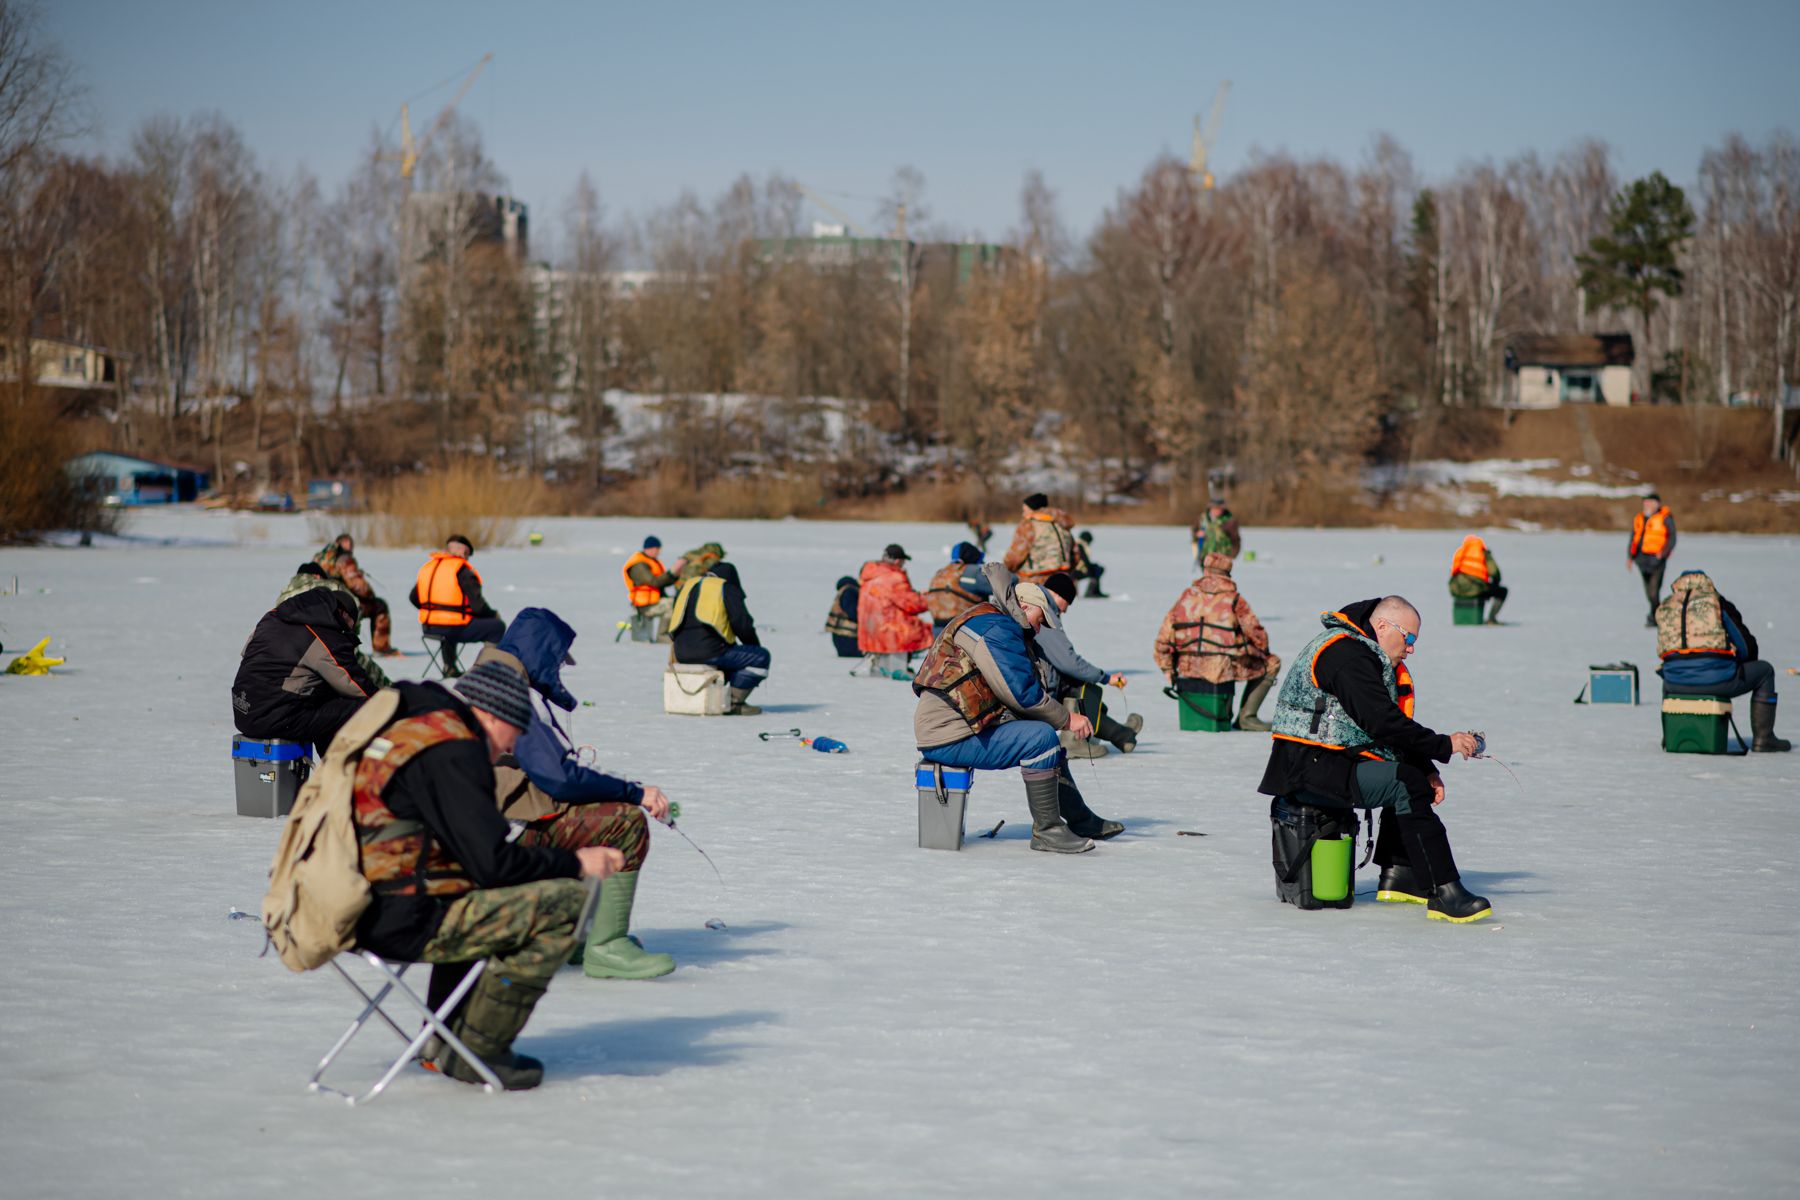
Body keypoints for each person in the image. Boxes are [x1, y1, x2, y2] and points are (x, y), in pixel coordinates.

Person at [350, 661, 622, 1090]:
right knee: (565, 904)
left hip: (362, 904)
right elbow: (495, 865)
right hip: (398, 919)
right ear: (493, 716)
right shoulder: (456, 751)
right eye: (515, 733)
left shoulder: (419, 732)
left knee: (473, 893)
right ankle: (479, 1047)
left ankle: (443, 1039)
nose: (512, 748)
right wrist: (577, 863)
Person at [423, 608, 678, 1029]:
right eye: (557, 660)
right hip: (500, 841)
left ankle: (578, 937)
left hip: (476, 835)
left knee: (589, 816)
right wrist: (634, 792)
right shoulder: (508, 694)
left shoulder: (483, 678)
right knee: (624, 822)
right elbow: (557, 779)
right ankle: (606, 946)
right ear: (540, 653)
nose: (558, 670)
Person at [1257, 597, 1491, 923]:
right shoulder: (1347, 656)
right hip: (1307, 768)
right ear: (1382, 626)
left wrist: (1425, 767)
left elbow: (1385, 729)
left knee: (1409, 776)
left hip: (1323, 761)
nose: (1411, 648)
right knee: (1405, 783)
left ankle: (1402, 875)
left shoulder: (1360, 650)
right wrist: (1443, 745)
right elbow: (1381, 722)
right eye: (1409, 637)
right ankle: (1444, 891)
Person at [913, 563, 1120, 853]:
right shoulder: (997, 628)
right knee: (1041, 738)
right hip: (949, 734)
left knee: (1042, 735)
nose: (1039, 628)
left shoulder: (991, 618)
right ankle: (1047, 831)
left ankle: (1079, 819)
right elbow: (1021, 694)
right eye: (1040, 619)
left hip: (955, 727)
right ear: (1023, 606)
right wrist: (1066, 719)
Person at [231, 584, 378, 754]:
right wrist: (390, 703)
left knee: (323, 701)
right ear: (344, 614)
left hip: (243, 711)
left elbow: (247, 653)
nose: (347, 632)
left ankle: (330, 766)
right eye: (350, 627)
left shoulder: (272, 617)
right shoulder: (326, 636)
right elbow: (355, 685)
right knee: (362, 707)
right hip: (272, 717)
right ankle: (340, 767)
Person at [1656, 570, 1789, 752]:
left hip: (1675, 685)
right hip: (1718, 681)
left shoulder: (1666, 606)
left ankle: (1670, 734)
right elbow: (1746, 647)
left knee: (1669, 672)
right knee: (1765, 671)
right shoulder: (1716, 602)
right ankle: (1763, 739)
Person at [1154, 552, 1281, 732]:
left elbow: (1163, 638)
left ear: (1205, 570)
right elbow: (1257, 634)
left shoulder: (1186, 597)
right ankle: (1247, 717)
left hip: (1186, 667)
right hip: (1221, 669)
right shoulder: (1235, 600)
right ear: (1228, 573)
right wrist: (1262, 652)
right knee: (1272, 663)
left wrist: (1168, 669)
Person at [1033, 571, 1142, 756]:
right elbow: (1069, 662)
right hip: (1037, 688)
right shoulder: (1043, 612)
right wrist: (1105, 678)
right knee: (1078, 687)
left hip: (1032, 680)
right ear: (1059, 595)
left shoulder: (1031, 603)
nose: (1065, 610)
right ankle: (1079, 740)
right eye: (1067, 604)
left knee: (1078, 685)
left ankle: (1120, 735)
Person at [670, 561, 769, 716]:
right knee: (760, 657)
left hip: (680, 652)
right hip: (711, 651)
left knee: (729, 655)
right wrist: (754, 646)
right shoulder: (725, 587)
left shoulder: (688, 586)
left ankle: (717, 697)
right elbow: (742, 623)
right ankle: (734, 703)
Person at [278, 562, 391, 689]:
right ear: (318, 575)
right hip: (328, 645)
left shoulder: (284, 594)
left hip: (290, 655)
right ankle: (389, 691)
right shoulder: (331, 586)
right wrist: (352, 636)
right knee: (361, 668)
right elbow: (353, 605)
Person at [409, 534, 505, 650]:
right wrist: (493, 615)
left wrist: (434, 611)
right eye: (468, 555)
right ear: (464, 551)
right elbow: (478, 607)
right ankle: (489, 661)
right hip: (453, 629)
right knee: (497, 627)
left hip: (428, 627)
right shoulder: (463, 571)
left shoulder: (429, 568)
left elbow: (413, 598)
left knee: (452, 621)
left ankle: (449, 662)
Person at [313, 533, 399, 656]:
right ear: (346, 544)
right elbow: (360, 587)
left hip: (317, 603)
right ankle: (381, 649)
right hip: (341, 605)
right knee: (380, 605)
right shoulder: (345, 560)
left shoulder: (319, 558)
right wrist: (370, 595)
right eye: (350, 544)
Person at [857, 544, 933, 666]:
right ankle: (901, 668)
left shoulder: (869, 574)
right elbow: (912, 604)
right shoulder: (894, 577)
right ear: (897, 561)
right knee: (929, 631)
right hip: (889, 631)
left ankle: (879, 666)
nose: (903, 564)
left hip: (869, 631)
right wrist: (931, 599)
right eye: (903, 561)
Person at [1001, 492, 1077, 580]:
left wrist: (1006, 568)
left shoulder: (1029, 525)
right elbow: (1075, 554)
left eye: (1025, 511)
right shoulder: (1062, 525)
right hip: (1063, 578)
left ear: (1034, 510)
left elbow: (1016, 556)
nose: (1023, 514)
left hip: (1036, 580)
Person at [1628, 494, 1676, 627]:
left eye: (1650, 502)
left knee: (1654, 591)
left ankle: (1655, 617)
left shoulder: (1665, 518)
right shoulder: (1639, 518)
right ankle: (1656, 615)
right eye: (1646, 502)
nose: (1647, 504)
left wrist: (1663, 553)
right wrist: (1630, 557)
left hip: (1657, 560)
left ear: (1657, 504)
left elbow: (1672, 538)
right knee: (1649, 592)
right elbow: (1633, 538)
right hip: (1641, 560)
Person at [622, 536, 683, 641]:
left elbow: (662, 582)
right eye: (657, 549)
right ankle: (662, 636)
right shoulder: (639, 565)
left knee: (677, 602)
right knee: (672, 605)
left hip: (653, 601)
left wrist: (675, 576)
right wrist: (671, 573)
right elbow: (654, 582)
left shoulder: (651, 561)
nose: (659, 552)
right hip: (644, 606)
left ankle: (670, 634)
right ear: (650, 548)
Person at [926, 543, 985, 635]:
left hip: (939, 632)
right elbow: (1000, 585)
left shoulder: (940, 573)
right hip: (965, 630)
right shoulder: (971, 572)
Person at [1447, 534, 1507, 624]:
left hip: (1457, 589)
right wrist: (1496, 583)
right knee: (1502, 591)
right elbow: (1494, 572)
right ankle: (1491, 619)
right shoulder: (1482, 552)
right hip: (1477, 589)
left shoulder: (1460, 552)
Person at [1191, 497, 1242, 567]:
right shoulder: (1202, 519)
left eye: (1219, 508)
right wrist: (1197, 534)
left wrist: (1232, 555)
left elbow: (1235, 540)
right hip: (1205, 557)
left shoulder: (1230, 521)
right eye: (1215, 508)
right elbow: (1194, 531)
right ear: (1210, 508)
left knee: (1219, 574)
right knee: (1207, 573)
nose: (1217, 510)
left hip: (1222, 558)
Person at [824, 575, 861, 658]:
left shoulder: (843, 592)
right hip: (849, 640)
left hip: (842, 640)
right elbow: (853, 612)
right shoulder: (849, 592)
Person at [1071, 531, 1108, 599]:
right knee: (1097, 570)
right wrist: (1092, 567)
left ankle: (1094, 591)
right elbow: (1085, 560)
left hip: (1073, 570)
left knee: (1096, 569)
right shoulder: (1080, 546)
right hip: (1075, 572)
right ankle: (1092, 592)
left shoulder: (1076, 544)